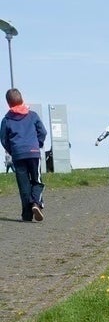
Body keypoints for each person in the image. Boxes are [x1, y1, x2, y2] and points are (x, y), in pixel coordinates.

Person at [1, 88, 47, 222]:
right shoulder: (32, 115)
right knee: (37, 181)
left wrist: (12, 150)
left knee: (24, 185)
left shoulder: (6, 120)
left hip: (18, 154)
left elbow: (4, 139)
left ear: (8, 104)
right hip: (33, 153)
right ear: (22, 100)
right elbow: (42, 132)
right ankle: (36, 203)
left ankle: (27, 215)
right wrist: (37, 144)